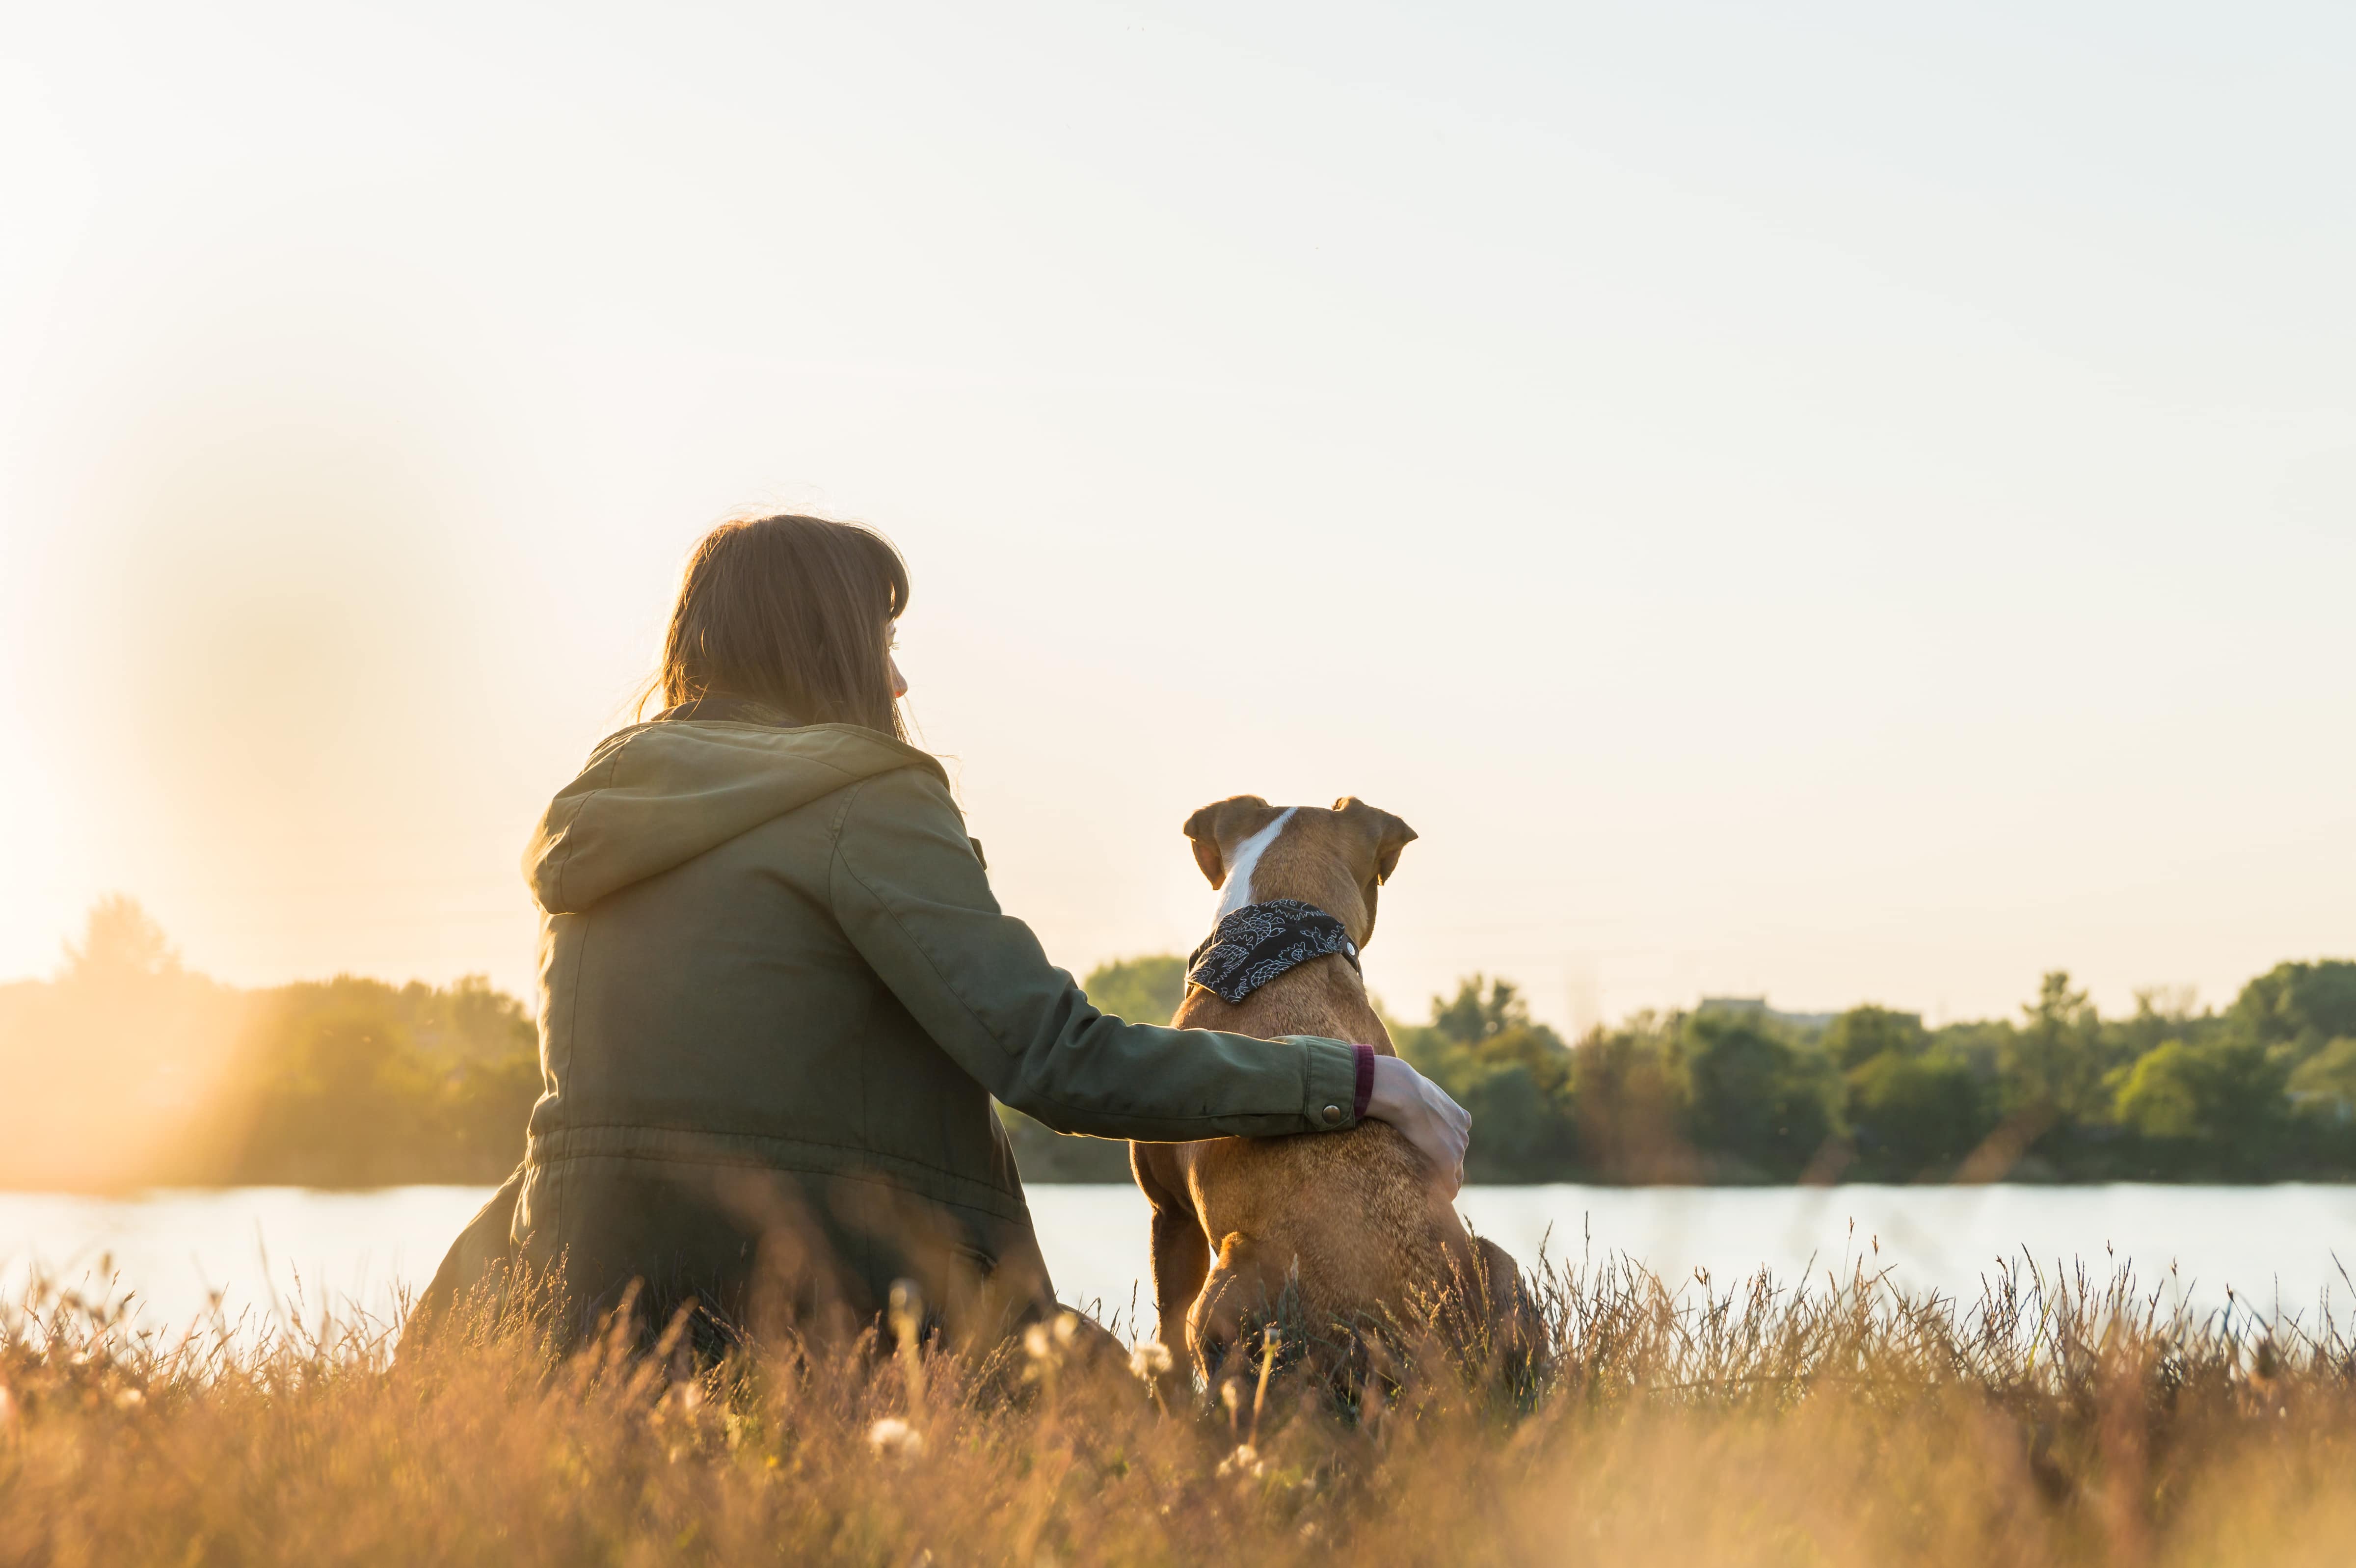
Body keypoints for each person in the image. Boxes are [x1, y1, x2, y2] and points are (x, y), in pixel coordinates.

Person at [416, 513, 1470, 1348]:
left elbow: (612, 1124)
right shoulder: (869, 799)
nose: (901, 680)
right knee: (1149, 1451)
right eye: (883, 643)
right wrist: (1355, 1079)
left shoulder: (597, 814)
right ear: (822, 648)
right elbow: (1060, 1061)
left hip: (575, 1304)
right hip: (831, 1303)